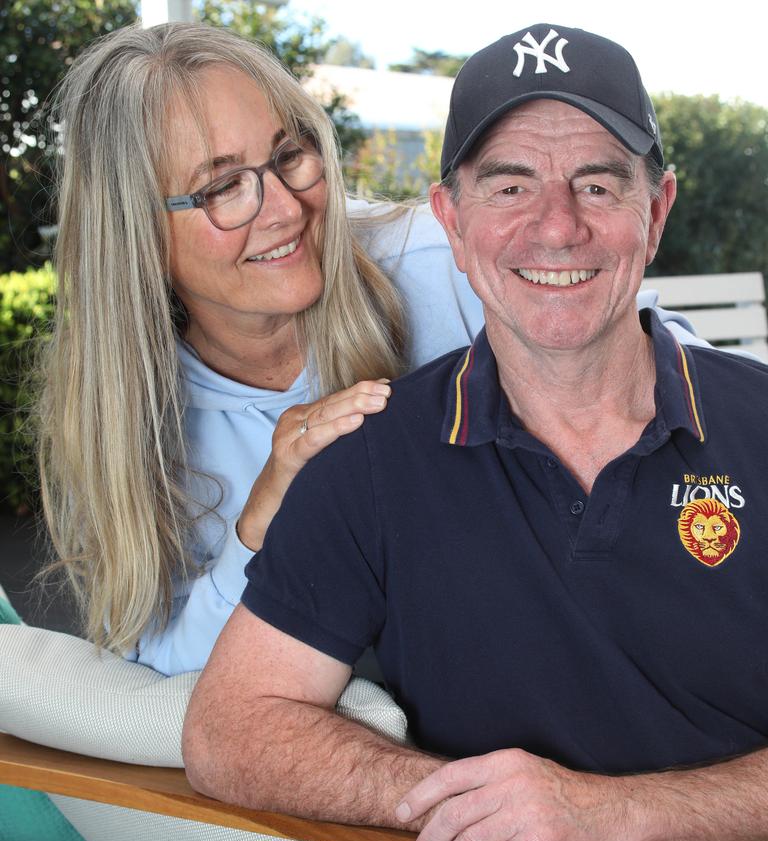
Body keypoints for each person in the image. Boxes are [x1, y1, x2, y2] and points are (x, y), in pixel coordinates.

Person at [183, 23, 768, 841]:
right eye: (508, 188)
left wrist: (598, 814)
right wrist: (490, 823)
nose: (556, 227)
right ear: (450, 221)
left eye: (597, 183)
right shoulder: (369, 462)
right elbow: (231, 728)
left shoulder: (757, 421)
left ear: (656, 208)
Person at [36, 21, 698, 677]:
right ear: (138, 234)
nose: (284, 210)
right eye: (223, 187)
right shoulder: (124, 420)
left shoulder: (450, 263)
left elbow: (680, 378)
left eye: (289, 154)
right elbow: (157, 661)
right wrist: (263, 523)